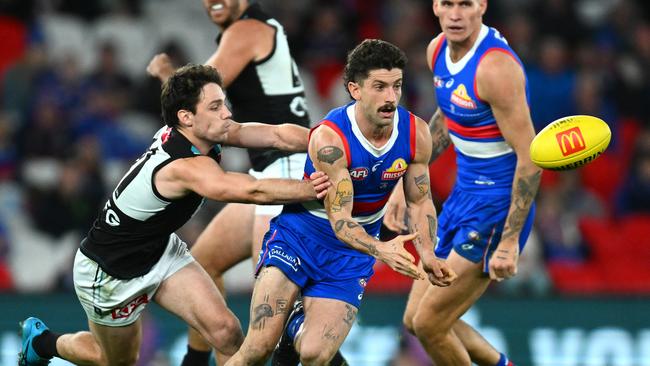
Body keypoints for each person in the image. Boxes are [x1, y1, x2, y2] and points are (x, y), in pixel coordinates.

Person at [18, 64, 331, 366]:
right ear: (186, 117)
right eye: (216, 107)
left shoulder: (201, 130)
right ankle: (42, 342)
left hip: (159, 251)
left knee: (226, 332)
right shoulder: (181, 166)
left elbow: (275, 136)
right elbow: (252, 191)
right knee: (112, 360)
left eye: (223, 104)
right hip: (110, 271)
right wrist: (319, 188)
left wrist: (330, 139)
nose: (227, 113)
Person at [224, 39, 457, 366]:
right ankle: (287, 323)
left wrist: (429, 255)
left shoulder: (416, 133)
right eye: (379, 87)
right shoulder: (331, 139)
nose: (390, 97)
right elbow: (341, 221)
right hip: (300, 237)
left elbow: (420, 202)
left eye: (396, 86)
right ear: (355, 89)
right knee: (258, 347)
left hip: (349, 255)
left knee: (315, 356)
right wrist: (382, 250)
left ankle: (294, 324)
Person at [146, 2, 319, 363]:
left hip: (285, 169)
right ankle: (194, 360)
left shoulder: (247, 30)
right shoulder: (247, 29)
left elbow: (196, 100)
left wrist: (166, 72)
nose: (212, 1)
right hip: (271, 169)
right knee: (204, 263)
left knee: (272, 313)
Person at [388, 1, 542, 365]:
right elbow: (447, 118)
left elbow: (531, 157)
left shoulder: (495, 68)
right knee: (413, 320)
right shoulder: (437, 49)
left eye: (466, 4)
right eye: (448, 3)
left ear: (482, 6)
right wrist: (401, 184)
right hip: (463, 196)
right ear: (435, 7)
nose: (456, 14)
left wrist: (508, 242)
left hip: (496, 207)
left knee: (430, 324)